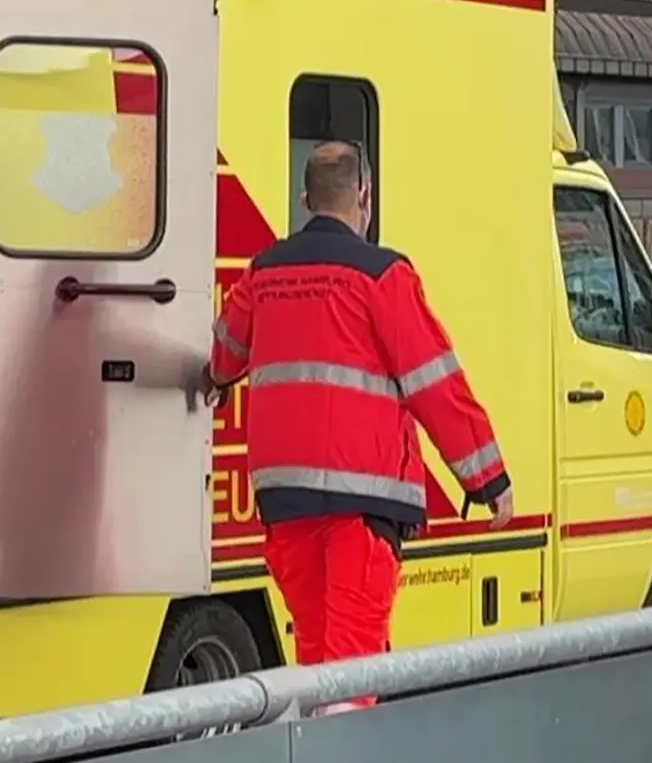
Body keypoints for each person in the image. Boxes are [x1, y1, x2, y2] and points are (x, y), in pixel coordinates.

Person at [197, 141, 514, 713]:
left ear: (304, 200)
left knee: (319, 667)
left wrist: (216, 380)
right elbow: (435, 383)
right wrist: (487, 477)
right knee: (350, 675)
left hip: (286, 503)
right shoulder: (382, 275)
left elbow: (224, 353)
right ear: (363, 197)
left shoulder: (265, 273)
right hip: (362, 504)